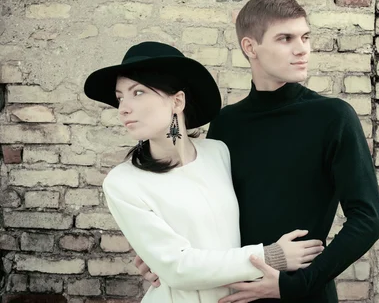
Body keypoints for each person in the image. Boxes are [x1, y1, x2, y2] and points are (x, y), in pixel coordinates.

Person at [136, 0, 379, 303]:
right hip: (233, 292)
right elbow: (208, 209)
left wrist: (297, 284)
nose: (302, 49)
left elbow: (368, 220)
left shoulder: (333, 117)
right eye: (285, 38)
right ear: (250, 47)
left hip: (302, 294)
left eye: (305, 37)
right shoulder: (227, 123)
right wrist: (165, 257)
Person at [83, 41, 324, 303]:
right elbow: (178, 267)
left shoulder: (217, 152)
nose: (124, 108)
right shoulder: (123, 182)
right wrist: (271, 256)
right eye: (120, 98)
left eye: (138, 92)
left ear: (177, 101)